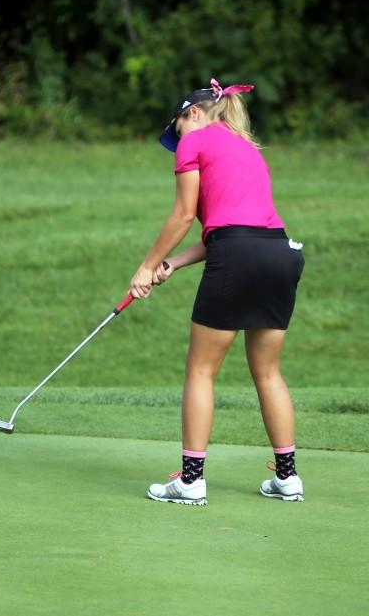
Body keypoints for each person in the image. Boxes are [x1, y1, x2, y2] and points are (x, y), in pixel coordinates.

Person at [128, 78, 305, 506]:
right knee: (267, 372)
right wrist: (173, 263)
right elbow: (226, 231)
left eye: (179, 130)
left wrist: (146, 266)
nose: (179, 142)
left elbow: (183, 215)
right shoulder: (245, 147)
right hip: (280, 254)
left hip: (240, 255)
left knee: (201, 369)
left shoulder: (197, 139)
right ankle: (288, 478)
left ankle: (190, 481)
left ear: (193, 114)